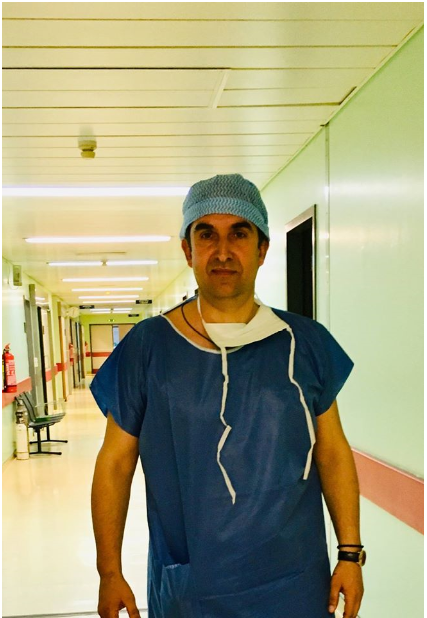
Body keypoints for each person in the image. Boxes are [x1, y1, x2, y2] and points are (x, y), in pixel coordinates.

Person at [90, 174, 365, 618]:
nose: (222, 251)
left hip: (295, 583)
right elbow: (115, 462)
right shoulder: (148, 347)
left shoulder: (305, 342)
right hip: (195, 588)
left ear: (262, 249)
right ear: (187, 250)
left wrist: (350, 554)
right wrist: (109, 571)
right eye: (206, 235)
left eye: (239, 233)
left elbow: (332, 451)